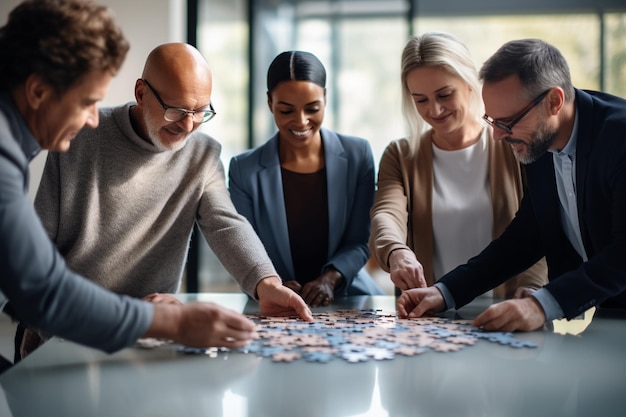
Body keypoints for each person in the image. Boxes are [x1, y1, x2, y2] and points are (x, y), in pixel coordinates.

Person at [0, 0, 310, 370]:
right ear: (142, 93)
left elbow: (226, 223)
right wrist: (170, 322)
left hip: (142, 340)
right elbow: (40, 284)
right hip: (72, 330)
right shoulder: (39, 149)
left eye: (201, 112)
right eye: (178, 110)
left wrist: (265, 281)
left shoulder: (201, 154)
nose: (189, 124)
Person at [397, 38, 626, 332]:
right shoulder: (540, 141)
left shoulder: (619, 138)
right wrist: (444, 291)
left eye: (507, 123)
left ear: (554, 101)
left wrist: (541, 304)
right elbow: (525, 237)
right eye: (492, 121)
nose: (497, 137)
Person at [370, 32, 547, 298]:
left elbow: (543, 224)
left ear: (469, 83)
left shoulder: (515, 144)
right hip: (428, 315)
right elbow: (387, 213)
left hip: (510, 310)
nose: (435, 110)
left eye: (444, 94)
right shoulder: (400, 155)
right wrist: (396, 251)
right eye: (421, 99)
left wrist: (532, 288)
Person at [229, 50, 383, 307]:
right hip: (274, 303)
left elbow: (359, 242)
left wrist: (330, 280)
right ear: (269, 103)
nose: (301, 121)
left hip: (350, 298)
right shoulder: (243, 169)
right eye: (286, 110)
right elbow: (243, 247)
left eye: (312, 108)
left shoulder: (358, 155)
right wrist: (270, 282)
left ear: (325, 98)